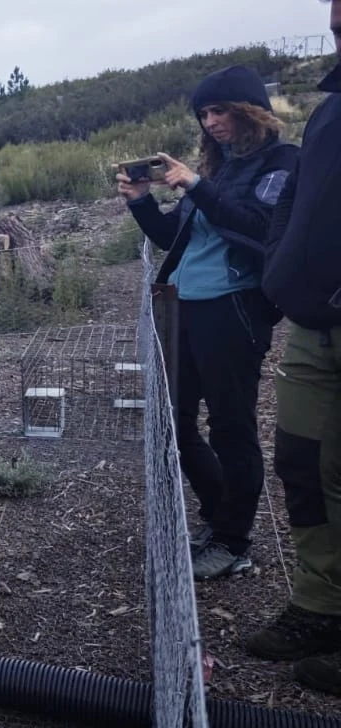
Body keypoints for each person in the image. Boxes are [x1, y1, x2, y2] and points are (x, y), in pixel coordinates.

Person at [119, 65, 297, 580]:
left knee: (231, 427)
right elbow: (171, 235)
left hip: (235, 309)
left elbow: (259, 227)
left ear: (249, 110)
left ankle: (233, 541)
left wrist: (196, 184)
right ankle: (220, 517)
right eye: (203, 114)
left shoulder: (281, 164)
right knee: (174, 421)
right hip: (189, 307)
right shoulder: (221, 169)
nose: (211, 122)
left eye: (220, 110)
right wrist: (142, 201)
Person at [247, 0, 341, 694]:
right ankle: (318, 604)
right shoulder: (332, 108)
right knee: (301, 464)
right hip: (313, 327)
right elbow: (296, 206)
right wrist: (282, 268)